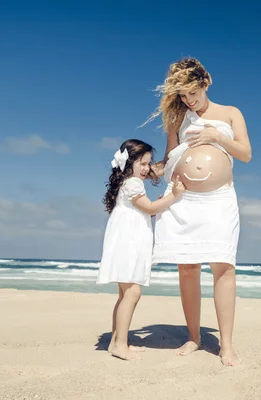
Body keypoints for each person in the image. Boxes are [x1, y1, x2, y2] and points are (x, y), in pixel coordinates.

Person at [143, 57, 252, 366]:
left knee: (223, 266)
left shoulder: (230, 114)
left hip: (219, 200)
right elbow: (169, 158)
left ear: (207, 83)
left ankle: (227, 345)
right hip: (183, 201)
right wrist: (146, 171)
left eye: (193, 93)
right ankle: (194, 337)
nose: (189, 101)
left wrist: (216, 137)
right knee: (187, 268)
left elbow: (245, 154)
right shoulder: (179, 119)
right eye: (183, 96)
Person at [97, 138, 185, 361]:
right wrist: (174, 196)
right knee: (133, 292)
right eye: (143, 163)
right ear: (130, 163)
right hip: (129, 242)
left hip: (125, 239)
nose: (147, 168)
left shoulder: (127, 183)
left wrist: (154, 207)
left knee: (125, 293)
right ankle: (119, 344)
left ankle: (118, 341)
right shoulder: (134, 183)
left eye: (149, 163)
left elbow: (145, 211)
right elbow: (148, 207)